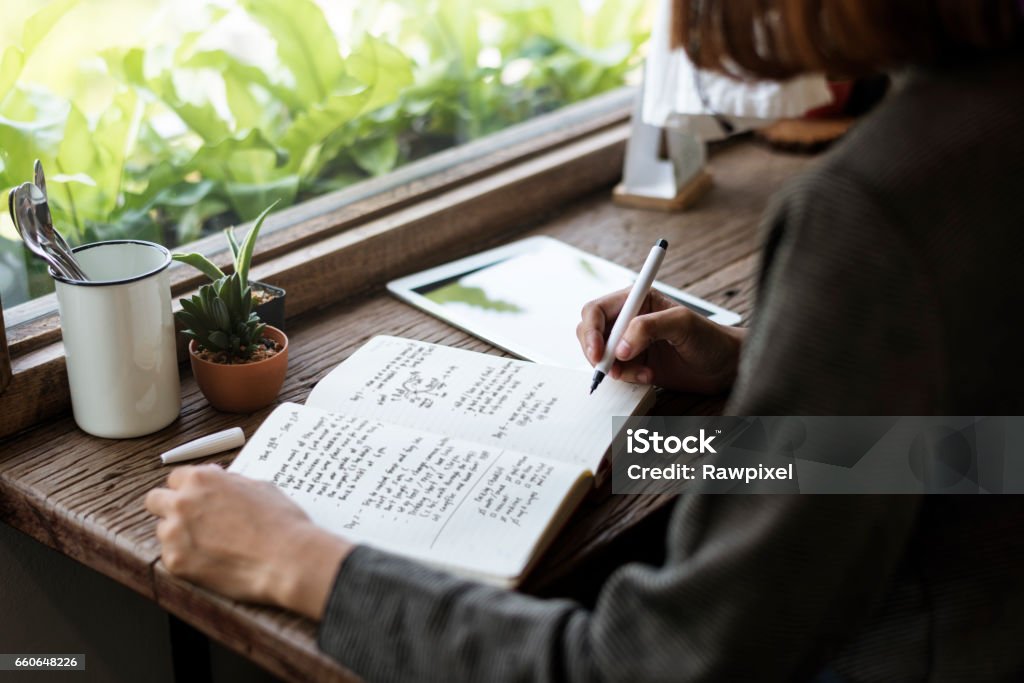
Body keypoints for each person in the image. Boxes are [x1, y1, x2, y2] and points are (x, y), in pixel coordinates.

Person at [145, 1, 1024, 680]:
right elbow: (982, 457)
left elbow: (646, 665)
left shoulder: (874, 209)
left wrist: (305, 561)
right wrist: (757, 365)